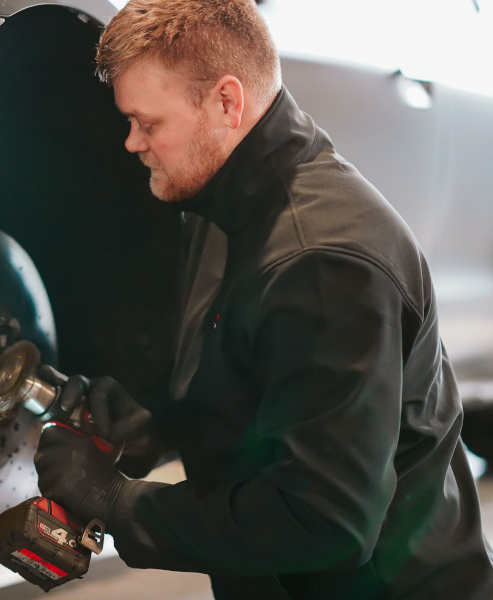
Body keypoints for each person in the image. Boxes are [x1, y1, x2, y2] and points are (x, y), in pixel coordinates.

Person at [32, 0, 493, 598]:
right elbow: (268, 379)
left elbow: (326, 522)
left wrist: (119, 505)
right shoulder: (219, 198)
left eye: (148, 124)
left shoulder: (322, 265)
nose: (131, 143)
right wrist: (161, 424)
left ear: (226, 102)